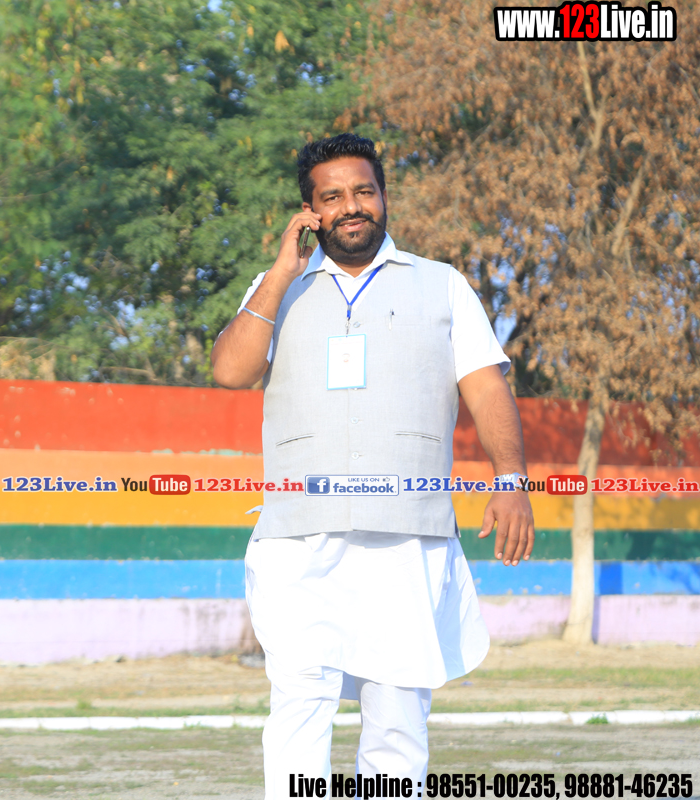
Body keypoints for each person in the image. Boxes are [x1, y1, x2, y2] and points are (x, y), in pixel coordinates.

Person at [210, 133, 535, 798]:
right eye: (332, 197)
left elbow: (486, 388)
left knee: (397, 718)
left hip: (406, 536)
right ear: (310, 211)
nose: (351, 206)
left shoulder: (442, 286)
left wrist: (511, 482)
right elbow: (230, 371)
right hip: (299, 537)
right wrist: (281, 271)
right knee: (299, 703)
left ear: (384, 197)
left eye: (364, 191)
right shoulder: (277, 290)